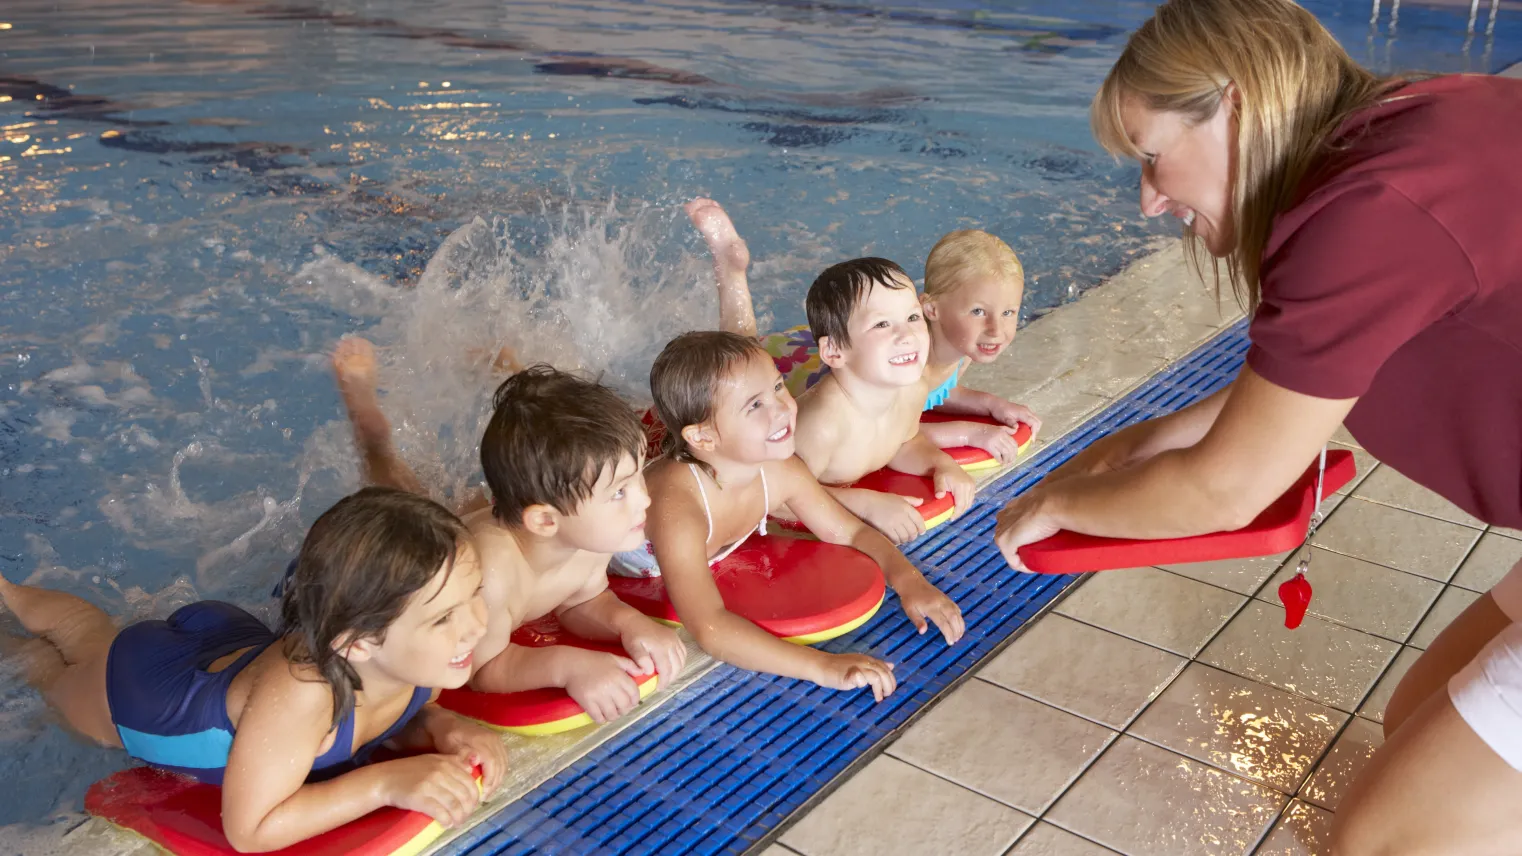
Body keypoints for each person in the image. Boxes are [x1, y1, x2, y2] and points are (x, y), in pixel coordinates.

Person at [990, 0, 1522, 850]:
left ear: (1235, 104)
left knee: (1385, 840)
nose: (1147, 202)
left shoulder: (1367, 211)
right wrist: (1156, 437)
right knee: (1417, 713)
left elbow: (1227, 490)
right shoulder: (1411, 124)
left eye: (1154, 159)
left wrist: (1055, 508)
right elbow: (1330, 370)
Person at [0, 488, 508, 852]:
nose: (474, 626)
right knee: (50, 668)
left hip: (228, 645)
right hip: (149, 695)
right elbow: (250, 828)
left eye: (476, 595)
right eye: (445, 617)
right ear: (357, 642)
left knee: (86, 634)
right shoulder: (303, 695)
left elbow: (391, 714)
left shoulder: (422, 653)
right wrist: (387, 784)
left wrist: (446, 726)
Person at [333, 341, 687, 726]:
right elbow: (482, 669)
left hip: (515, 521)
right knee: (409, 501)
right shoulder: (492, 575)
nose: (643, 498)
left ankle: (513, 369)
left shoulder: (590, 533)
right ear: (547, 521)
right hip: (455, 543)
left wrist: (630, 625)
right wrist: (569, 666)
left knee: (484, 497)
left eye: (637, 477)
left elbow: (581, 601)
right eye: (619, 491)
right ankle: (373, 436)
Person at [612, 330, 965, 699]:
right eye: (754, 405)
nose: (782, 408)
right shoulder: (679, 510)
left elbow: (851, 533)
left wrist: (912, 584)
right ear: (703, 438)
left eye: (778, 387)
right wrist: (821, 666)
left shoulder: (779, 470)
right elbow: (710, 627)